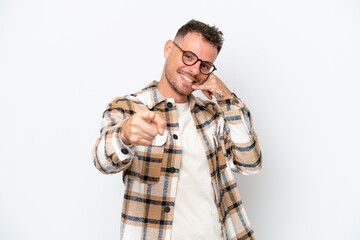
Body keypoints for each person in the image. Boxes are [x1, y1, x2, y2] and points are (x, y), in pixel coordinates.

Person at [92, 19, 262, 240]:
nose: (193, 70)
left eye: (204, 66)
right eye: (188, 56)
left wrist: (227, 97)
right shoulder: (129, 107)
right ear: (168, 49)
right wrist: (124, 134)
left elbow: (249, 164)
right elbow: (102, 161)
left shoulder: (212, 115)